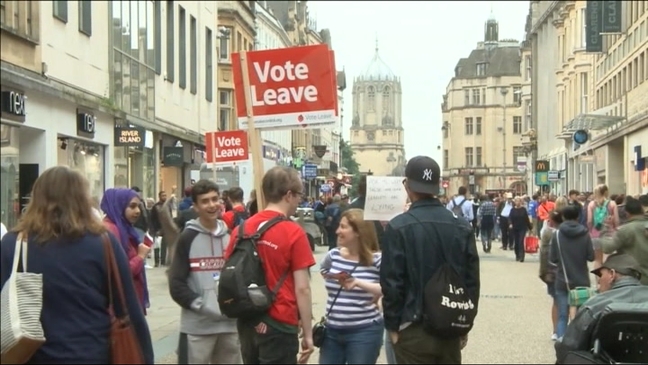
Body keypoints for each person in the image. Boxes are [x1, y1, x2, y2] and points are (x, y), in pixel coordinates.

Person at [0, 166, 153, 363]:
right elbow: (129, 305)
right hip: (91, 353)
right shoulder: (103, 242)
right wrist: (147, 357)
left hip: (32, 356)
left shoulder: (15, 243)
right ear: (82, 199)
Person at [381, 156, 480, 364]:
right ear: (437, 187)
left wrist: (392, 326)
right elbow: (471, 281)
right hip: (449, 322)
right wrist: (465, 323)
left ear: (407, 186)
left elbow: (392, 282)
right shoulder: (461, 226)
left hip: (412, 324)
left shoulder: (398, 226)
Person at [226, 166, 316, 364]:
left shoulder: (240, 230)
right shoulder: (293, 232)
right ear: (288, 195)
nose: (299, 200)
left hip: (247, 321)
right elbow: (303, 289)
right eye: (299, 195)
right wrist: (308, 334)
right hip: (279, 322)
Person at [168, 180, 242, 364]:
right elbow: (176, 283)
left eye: (214, 199)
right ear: (195, 206)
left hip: (229, 327)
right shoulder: (188, 237)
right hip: (197, 328)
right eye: (205, 201)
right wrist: (202, 305)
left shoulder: (231, 236)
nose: (211, 205)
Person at [555, 253, 648, 363]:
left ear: (612, 274)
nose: (598, 281)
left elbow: (567, 347)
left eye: (601, 275)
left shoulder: (595, 305)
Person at [319, 209, 383, 364]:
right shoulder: (333, 255)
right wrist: (335, 277)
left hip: (364, 331)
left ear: (358, 232)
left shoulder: (377, 260)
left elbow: (389, 288)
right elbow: (324, 270)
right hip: (332, 331)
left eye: (343, 227)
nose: (337, 231)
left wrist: (358, 283)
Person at [101, 188, 151, 314]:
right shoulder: (112, 230)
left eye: (139, 206)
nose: (138, 211)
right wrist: (140, 257)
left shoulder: (124, 228)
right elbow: (120, 270)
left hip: (128, 301)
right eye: (132, 206)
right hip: (122, 306)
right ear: (119, 206)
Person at [549, 204, 594, 341]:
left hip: (563, 279)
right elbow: (591, 256)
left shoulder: (557, 234)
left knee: (563, 314)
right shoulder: (585, 234)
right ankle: (578, 343)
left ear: (563, 217)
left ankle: (562, 343)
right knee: (582, 315)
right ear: (578, 216)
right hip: (582, 280)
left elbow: (553, 258)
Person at [600, 196, 648, 284]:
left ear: (627, 213)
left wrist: (605, 230)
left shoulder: (626, 230)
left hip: (636, 279)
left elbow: (607, 248)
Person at [539, 210, 563, 341]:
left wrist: (543, 272)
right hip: (566, 272)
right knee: (570, 302)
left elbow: (543, 253)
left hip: (553, 273)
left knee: (556, 302)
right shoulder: (565, 234)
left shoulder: (548, 233)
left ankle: (556, 330)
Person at [508, 197, 533, 262]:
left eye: (519, 201)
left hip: (522, 227)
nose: (518, 202)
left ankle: (522, 256)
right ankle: (517, 255)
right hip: (515, 228)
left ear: (521, 202)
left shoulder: (523, 209)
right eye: (516, 201)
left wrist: (530, 228)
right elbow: (510, 218)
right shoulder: (512, 210)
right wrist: (510, 224)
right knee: (516, 242)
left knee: (521, 241)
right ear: (515, 202)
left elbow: (526, 219)